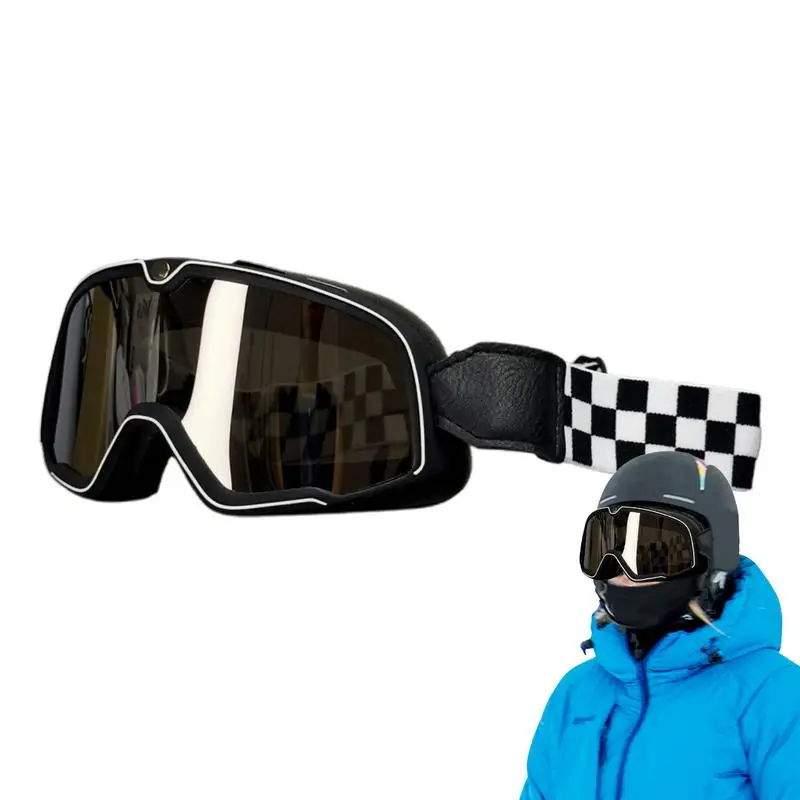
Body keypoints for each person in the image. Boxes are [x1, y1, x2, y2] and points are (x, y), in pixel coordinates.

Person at [520, 451, 800, 799]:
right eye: (607, 548)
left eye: (650, 552)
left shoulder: (775, 694)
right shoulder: (577, 692)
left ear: (713, 559)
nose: (621, 572)